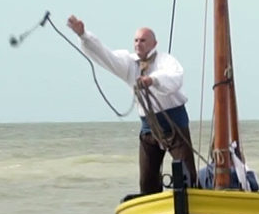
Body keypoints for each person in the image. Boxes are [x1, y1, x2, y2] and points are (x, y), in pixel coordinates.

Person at [67, 15, 196, 194]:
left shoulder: (165, 61)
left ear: (154, 43)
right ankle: (153, 212)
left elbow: (175, 78)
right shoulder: (129, 63)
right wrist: (84, 35)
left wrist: (152, 80)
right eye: (136, 40)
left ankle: (191, 207)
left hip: (173, 123)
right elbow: (106, 56)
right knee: (147, 181)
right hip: (149, 127)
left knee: (186, 175)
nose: (138, 43)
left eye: (143, 40)